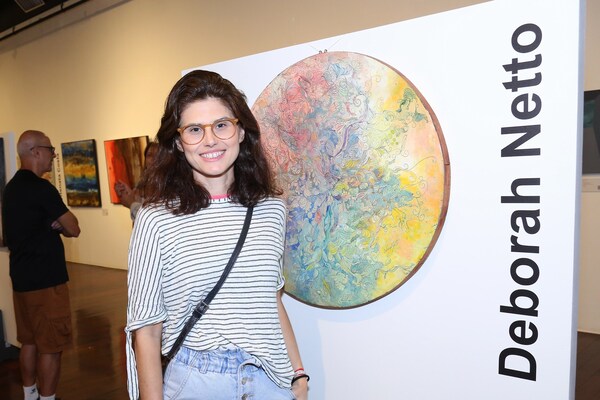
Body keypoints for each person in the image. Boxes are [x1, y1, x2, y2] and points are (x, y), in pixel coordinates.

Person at [125, 70, 309, 400]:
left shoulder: (272, 209)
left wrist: (298, 374)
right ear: (178, 142)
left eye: (222, 125)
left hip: (270, 379)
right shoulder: (155, 220)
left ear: (241, 131)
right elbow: (147, 330)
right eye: (195, 129)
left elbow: (271, 301)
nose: (210, 140)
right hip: (197, 382)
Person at [2, 130, 81, 400]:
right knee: (51, 346)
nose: (53, 155)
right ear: (35, 152)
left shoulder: (11, 189)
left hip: (21, 281)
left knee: (29, 341)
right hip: (47, 282)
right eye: (50, 149)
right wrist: (58, 225)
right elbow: (74, 228)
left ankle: (30, 394)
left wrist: (53, 225)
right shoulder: (42, 188)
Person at [114, 142, 158, 221]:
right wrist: (127, 193)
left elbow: (151, 219)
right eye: (149, 155)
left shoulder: (167, 186)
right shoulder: (142, 183)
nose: (153, 159)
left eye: (157, 156)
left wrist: (131, 204)